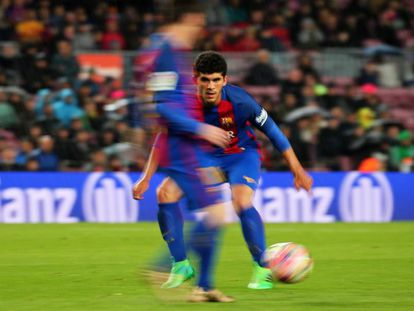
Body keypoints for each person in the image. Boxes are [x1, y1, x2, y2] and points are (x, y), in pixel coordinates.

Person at [133, 51, 313, 290]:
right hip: (207, 160)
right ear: (196, 78)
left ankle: (262, 268)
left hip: (241, 156)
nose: (210, 86)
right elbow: (163, 138)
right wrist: (146, 178)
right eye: (205, 79)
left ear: (225, 80)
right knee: (164, 193)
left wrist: (297, 169)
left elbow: (273, 131)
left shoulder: (240, 101)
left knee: (241, 201)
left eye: (216, 80)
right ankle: (181, 265)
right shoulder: (183, 105)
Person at [132, 3, 234, 303]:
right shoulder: (166, 51)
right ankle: (164, 267)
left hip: (180, 145)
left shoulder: (159, 47)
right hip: (184, 147)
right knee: (216, 214)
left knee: (171, 195)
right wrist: (201, 129)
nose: (198, 32)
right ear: (188, 19)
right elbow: (162, 107)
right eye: (197, 25)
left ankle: (203, 287)